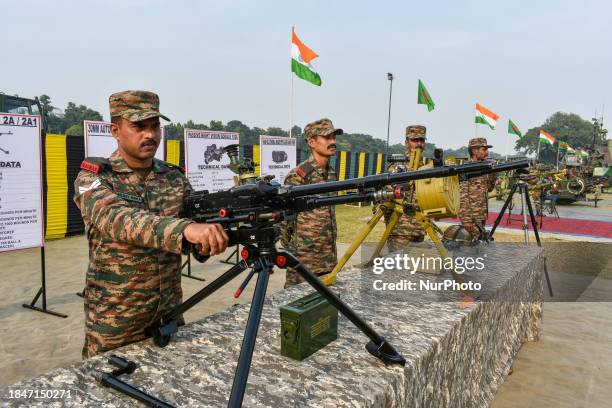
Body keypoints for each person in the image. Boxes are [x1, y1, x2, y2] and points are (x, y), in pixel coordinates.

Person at [74, 90, 229, 358]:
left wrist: (207, 242)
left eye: (155, 126)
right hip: (115, 322)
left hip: (168, 315)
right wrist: (185, 230)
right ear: (115, 130)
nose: (150, 134)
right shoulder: (93, 178)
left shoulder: (173, 177)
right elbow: (118, 219)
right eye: (139, 126)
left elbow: (197, 231)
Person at [280, 118, 341, 287]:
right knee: (295, 304)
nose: (333, 141)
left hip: (328, 257)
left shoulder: (331, 174)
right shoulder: (300, 175)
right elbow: (285, 217)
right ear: (312, 142)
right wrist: (292, 248)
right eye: (327, 137)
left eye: (334, 137)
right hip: (304, 259)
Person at [383, 125, 427, 252]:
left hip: (420, 229)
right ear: (406, 143)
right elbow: (387, 200)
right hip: (400, 231)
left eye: (422, 140)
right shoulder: (396, 168)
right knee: (398, 268)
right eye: (415, 140)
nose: (419, 144)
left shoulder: (427, 167)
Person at [458, 138, 496, 238]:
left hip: (481, 215)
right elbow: (462, 196)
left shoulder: (483, 168)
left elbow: (489, 189)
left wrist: (493, 174)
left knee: (478, 245)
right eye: (484, 149)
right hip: (471, 217)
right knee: (467, 247)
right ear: (474, 151)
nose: (487, 152)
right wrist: (466, 220)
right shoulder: (466, 169)